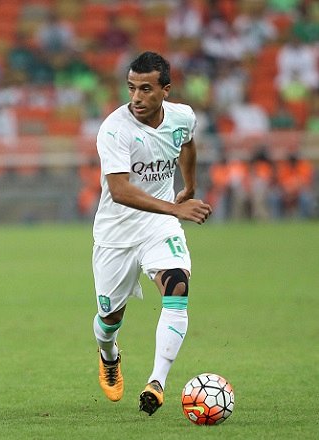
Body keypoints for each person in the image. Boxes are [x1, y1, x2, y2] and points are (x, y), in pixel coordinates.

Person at [90, 52, 212, 416]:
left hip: (158, 225)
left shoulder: (182, 116)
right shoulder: (115, 129)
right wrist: (176, 208)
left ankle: (156, 382)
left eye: (146, 89)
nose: (136, 97)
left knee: (177, 287)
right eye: (131, 88)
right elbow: (119, 191)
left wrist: (189, 186)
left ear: (165, 90)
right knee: (110, 318)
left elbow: (187, 143)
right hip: (116, 234)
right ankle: (108, 355)